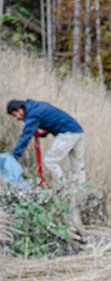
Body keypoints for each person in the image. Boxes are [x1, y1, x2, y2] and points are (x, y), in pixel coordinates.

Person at [7, 98, 85, 230]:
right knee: (78, 167)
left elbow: (25, 137)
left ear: (19, 109)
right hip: (78, 131)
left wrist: (14, 157)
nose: (17, 118)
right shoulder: (37, 106)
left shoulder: (32, 114)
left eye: (15, 115)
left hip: (68, 133)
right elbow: (52, 119)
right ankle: (81, 192)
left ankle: (63, 187)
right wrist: (44, 132)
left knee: (50, 160)